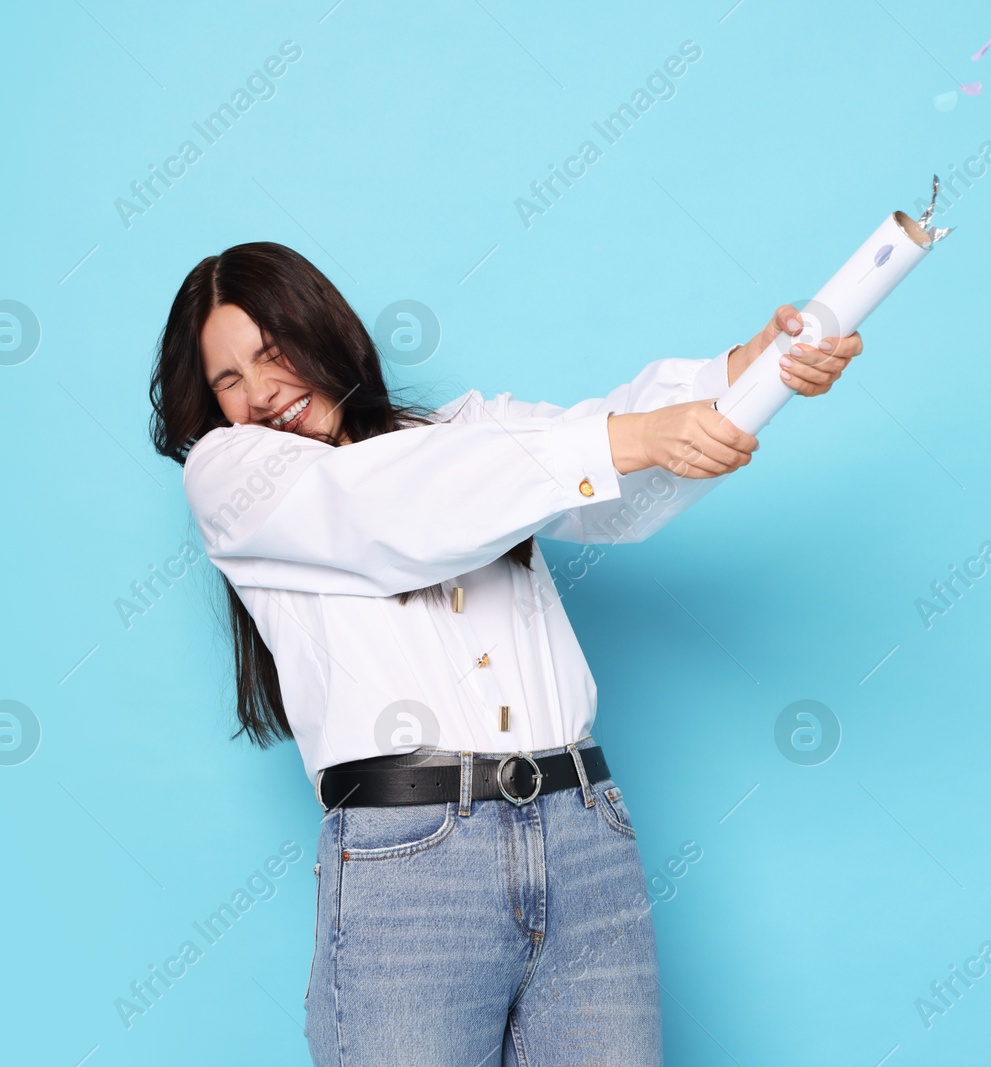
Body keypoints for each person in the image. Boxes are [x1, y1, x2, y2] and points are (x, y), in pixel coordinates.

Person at [147, 241, 861, 1065]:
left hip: (584, 833)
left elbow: (620, 478)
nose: (260, 391)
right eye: (228, 379)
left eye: (273, 354)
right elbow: (394, 507)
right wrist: (630, 437)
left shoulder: (464, 434)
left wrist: (760, 368)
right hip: (410, 862)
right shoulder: (231, 473)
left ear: (323, 331)